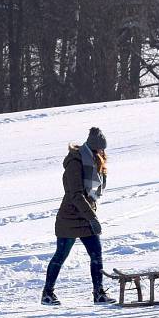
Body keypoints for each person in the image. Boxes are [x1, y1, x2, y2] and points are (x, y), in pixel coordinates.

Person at [41, 127, 116, 306]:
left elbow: (91, 193)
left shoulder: (92, 160)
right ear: (93, 147)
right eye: (100, 149)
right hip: (69, 218)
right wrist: (92, 218)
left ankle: (99, 293)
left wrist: (91, 215)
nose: (103, 152)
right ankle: (47, 294)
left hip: (84, 217)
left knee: (96, 253)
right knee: (61, 255)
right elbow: (76, 195)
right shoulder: (76, 162)